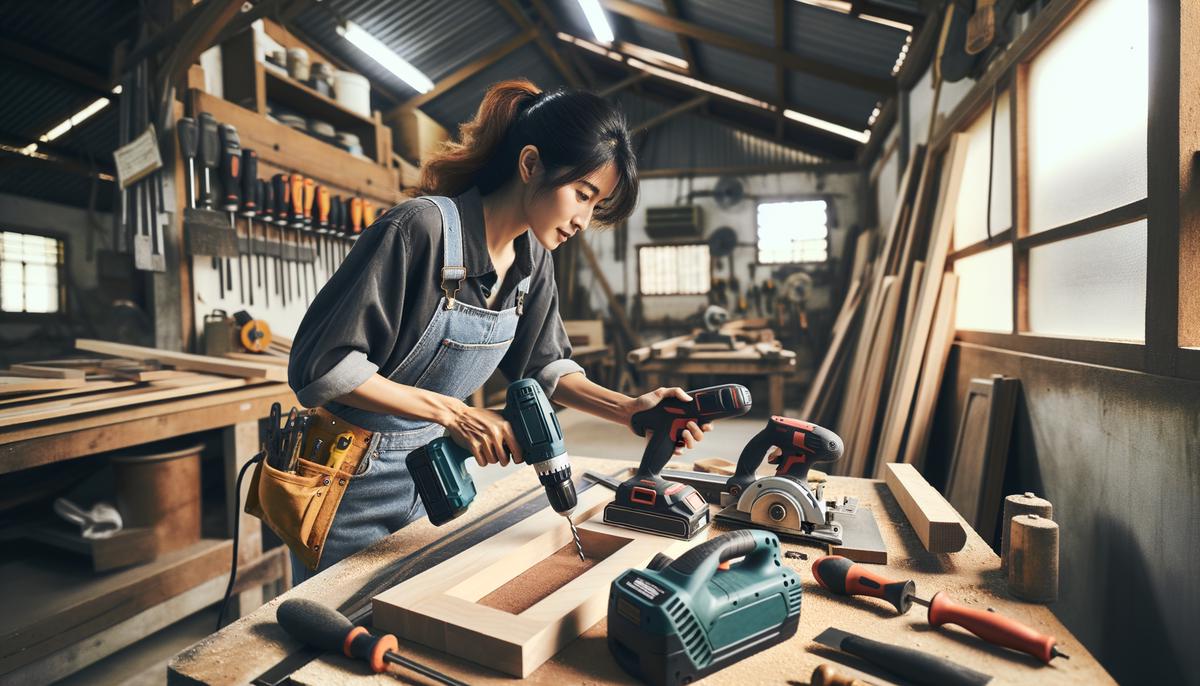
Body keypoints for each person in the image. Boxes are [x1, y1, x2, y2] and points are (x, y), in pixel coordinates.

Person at [286, 79, 710, 583]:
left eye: (595, 206)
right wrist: (456, 413)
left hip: (431, 479)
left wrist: (627, 410)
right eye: (582, 193)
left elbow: (544, 367)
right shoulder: (419, 229)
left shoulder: (533, 262)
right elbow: (323, 367)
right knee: (334, 637)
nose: (583, 219)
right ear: (530, 164)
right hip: (346, 480)